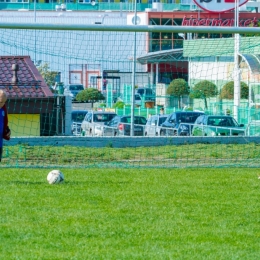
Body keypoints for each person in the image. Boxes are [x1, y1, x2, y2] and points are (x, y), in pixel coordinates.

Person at [0, 89, 11, 162]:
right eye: (0, 102)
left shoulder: (3, 110)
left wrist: (7, 131)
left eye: (4, 102)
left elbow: (4, 123)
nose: (2, 104)